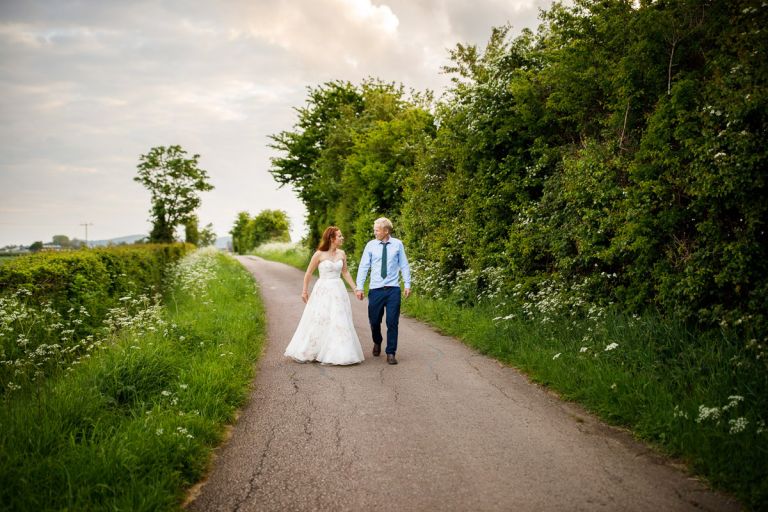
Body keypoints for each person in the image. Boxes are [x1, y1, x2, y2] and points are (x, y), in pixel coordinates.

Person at [284, 226, 364, 365]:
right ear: (332, 238)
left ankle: (339, 353)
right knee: (320, 319)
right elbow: (308, 273)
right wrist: (304, 291)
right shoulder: (319, 254)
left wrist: (356, 288)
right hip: (323, 290)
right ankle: (313, 350)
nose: (342, 238)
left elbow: (345, 272)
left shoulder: (342, 254)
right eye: (339, 236)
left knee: (339, 319)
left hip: (338, 290)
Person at [355, 217, 411, 365]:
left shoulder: (398, 244)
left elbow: (404, 265)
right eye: (374, 230)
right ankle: (377, 341)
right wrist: (359, 287)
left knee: (392, 322)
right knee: (374, 321)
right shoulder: (371, 245)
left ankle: (391, 352)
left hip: (393, 289)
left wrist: (407, 284)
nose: (374, 232)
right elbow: (363, 267)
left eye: (377, 230)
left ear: (386, 231)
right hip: (376, 289)